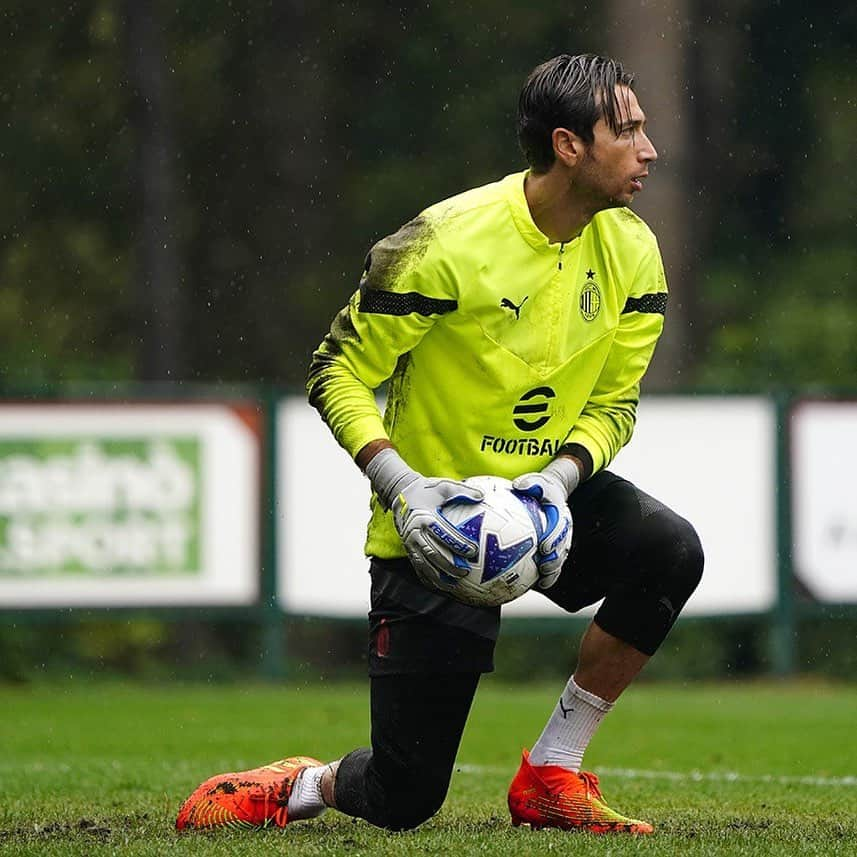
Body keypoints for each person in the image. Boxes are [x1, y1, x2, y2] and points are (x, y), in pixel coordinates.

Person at [176, 52, 703, 836]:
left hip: (542, 504)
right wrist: (403, 486)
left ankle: (552, 770)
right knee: (403, 796)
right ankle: (299, 783)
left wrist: (555, 485)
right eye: (625, 130)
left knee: (669, 551)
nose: (648, 149)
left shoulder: (633, 251)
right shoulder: (443, 240)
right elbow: (337, 371)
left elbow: (614, 404)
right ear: (567, 145)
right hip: (430, 525)